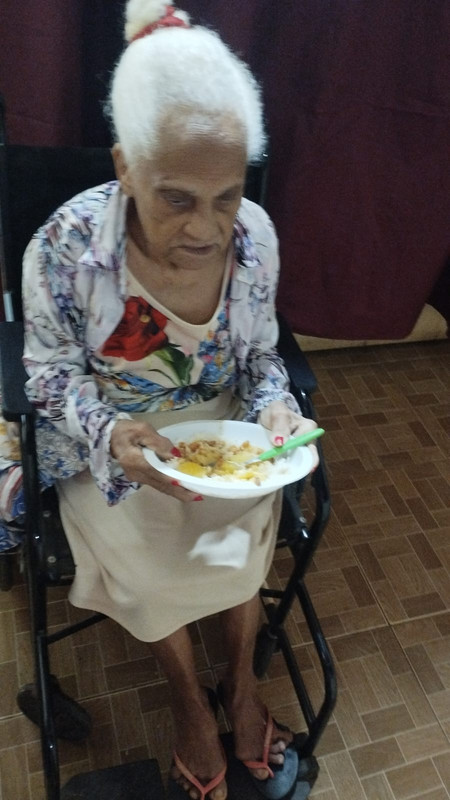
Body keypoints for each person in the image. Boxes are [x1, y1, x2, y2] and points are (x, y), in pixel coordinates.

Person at [20, 2, 319, 798]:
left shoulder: (256, 238)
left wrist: (275, 404)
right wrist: (109, 432)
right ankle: (189, 702)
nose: (208, 229)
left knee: (237, 551)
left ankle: (240, 687)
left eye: (226, 195)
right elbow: (46, 374)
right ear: (126, 167)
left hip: (221, 434)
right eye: (178, 198)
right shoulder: (65, 248)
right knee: (154, 574)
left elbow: (260, 357)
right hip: (113, 442)